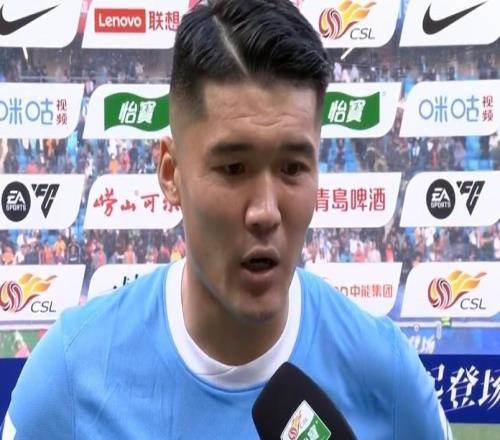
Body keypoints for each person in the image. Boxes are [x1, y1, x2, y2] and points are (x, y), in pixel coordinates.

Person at [2, 1, 452, 439]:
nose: (265, 211)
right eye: (233, 168)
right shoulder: (69, 376)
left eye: (293, 168)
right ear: (171, 174)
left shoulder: (389, 376)